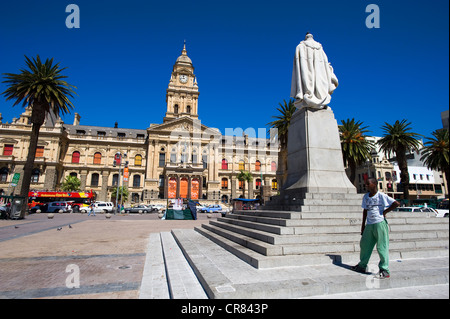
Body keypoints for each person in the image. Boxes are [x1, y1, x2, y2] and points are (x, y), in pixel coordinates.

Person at [351, 178, 400, 278]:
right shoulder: (366, 196)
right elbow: (365, 211)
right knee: (364, 245)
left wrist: (385, 212)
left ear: (374, 184)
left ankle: (384, 269)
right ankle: (362, 265)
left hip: (379, 223)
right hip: (369, 224)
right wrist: (363, 226)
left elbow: (396, 203)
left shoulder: (381, 195)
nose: (366, 186)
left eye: (368, 184)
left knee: (381, 247)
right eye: (366, 184)